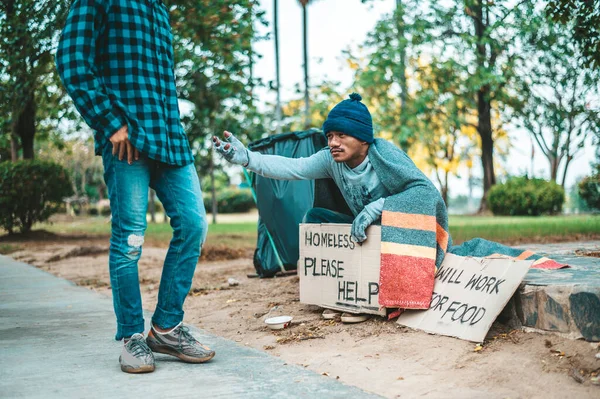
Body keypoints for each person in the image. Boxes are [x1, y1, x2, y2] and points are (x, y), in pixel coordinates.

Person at [213, 93, 565, 317]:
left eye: (341, 135)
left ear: (362, 138)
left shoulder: (385, 155)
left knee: (399, 217)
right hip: (362, 232)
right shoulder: (329, 159)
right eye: (330, 136)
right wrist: (246, 158)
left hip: (396, 228)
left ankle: (392, 298)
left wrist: (376, 207)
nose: (333, 142)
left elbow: (425, 193)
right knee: (314, 217)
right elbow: (290, 169)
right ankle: (345, 295)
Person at [56, 0, 215, 373]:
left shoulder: (159, 9)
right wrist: (110, 122)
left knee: (194, 225)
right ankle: (132, 336)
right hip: (127, 140)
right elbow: (71, 61)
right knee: (130, 238)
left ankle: (166, 328)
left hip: (170, 140)